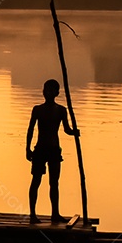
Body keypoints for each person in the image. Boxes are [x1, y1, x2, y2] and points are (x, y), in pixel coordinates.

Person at [26, 79, 79, 224]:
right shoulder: (37, 109)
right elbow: (30, 129)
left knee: (54, 183)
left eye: (50, 90)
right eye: (45, 90)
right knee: (36, 180)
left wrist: (75, 132)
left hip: (54, 150)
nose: (46, 93)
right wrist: (27, 148)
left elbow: (66, 130)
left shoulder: (61, 110)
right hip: (40, 150)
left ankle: (55, 213)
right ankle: (32, 214)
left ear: (56, 93)